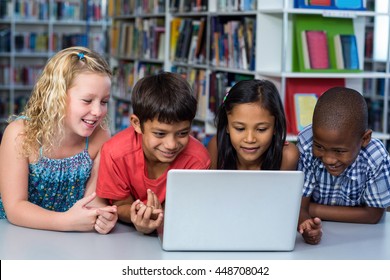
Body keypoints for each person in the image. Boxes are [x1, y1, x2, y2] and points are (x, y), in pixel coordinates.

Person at [0, 46, 117, 234]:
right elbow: (15, 208)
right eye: (87, 101)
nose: (97, 112)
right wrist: (66, 222)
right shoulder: (19, 134)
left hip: (73, 240)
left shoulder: (101, 135)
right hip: (18, 234)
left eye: (104, 102)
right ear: (57, 98)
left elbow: (93, 199)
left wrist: (100, 216)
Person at [207, 79, 322, 244]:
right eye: (239, 128)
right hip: (223, 233)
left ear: (275, 127)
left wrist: (304, 225)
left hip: (266, 236)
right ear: (227, 126)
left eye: (261, 129)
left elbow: (285, 207)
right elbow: (210, 202)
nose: (249, 139)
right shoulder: (217, 148)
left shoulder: (287, 155)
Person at [96, 72, 210, 234]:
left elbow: (190, 210)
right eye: (160, 134)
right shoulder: (115, 153)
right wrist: (138, 216)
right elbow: (120, 205)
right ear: (137, 124)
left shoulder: (198, 159)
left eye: (182, 133)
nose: (171, 145)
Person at [298, 86, 390, 225]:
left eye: (340, 151)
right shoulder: (307, 142)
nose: (328, 159)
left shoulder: (376, 157)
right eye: (319, 147)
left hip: (361, 237)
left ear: (365, 139)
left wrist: (309, 209)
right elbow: (300, 203)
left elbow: (373, 216)